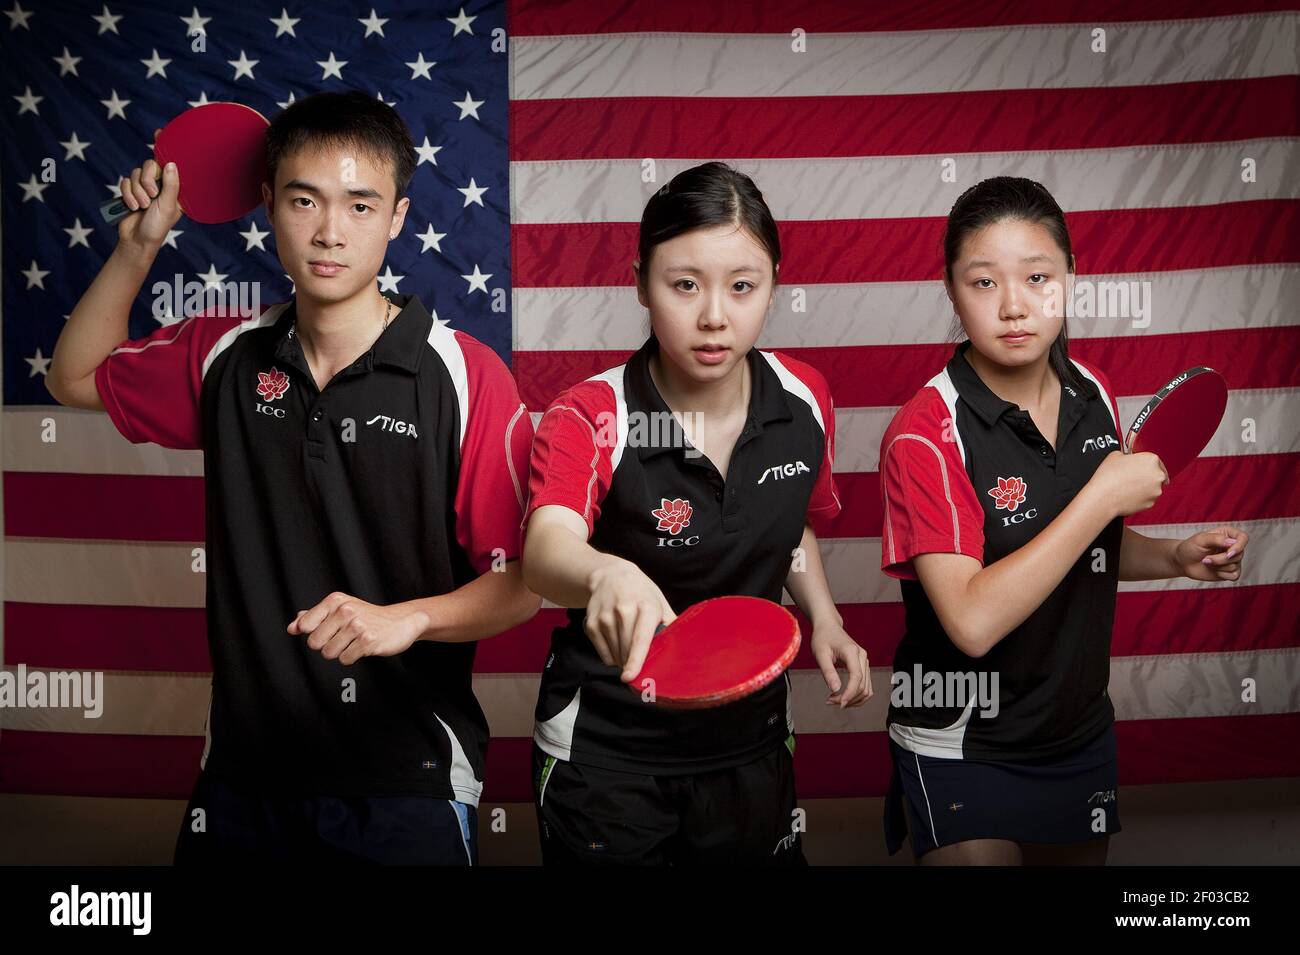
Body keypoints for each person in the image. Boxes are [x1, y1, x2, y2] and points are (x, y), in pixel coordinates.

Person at [45, 90, 539, 864]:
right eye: (305, 201)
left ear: (399, 217)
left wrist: (405, 618)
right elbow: (72, 377)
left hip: (406, 779)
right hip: (242, 778)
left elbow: (522, 582)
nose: (330, 231)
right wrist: (139, 247)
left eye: (360, 205)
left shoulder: (467, 375)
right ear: (268, 204)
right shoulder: (224, 355)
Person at [878, 176, 1250, 865]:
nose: (1014, 305)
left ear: (1072, 279)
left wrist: (1172, 556)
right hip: (963, 738)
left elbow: (1087, 548)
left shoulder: (1093, 390)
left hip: (1074, 730)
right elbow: (971, 620)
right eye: (983, 283)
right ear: (953, 292)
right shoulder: (924, 432)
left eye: (1038, 277)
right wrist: (1100, 499)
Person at [520, 162, 871, 865]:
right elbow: (544, 548)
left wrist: (824, 617)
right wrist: (602, 573)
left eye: (743, 286)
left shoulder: (804, 397)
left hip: (751, 741)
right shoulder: (591, 413)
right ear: (640, 282)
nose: (715, 315)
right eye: (684, 285)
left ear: (774, 284)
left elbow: (790, 516)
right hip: (609, 755)